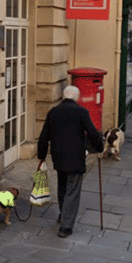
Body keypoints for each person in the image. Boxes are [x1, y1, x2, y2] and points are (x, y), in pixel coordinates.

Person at [37, 86, 104, 238]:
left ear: (63, 96)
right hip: (75, 157)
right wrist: (99, 147)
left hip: (58, 157)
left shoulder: (53, 112)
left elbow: (43, 137)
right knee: (72, 191)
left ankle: (63, 214)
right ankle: (66, 226)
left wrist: (41, 156)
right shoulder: (81, 112)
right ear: (77, 98)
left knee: (62, 186)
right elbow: (93, 132)